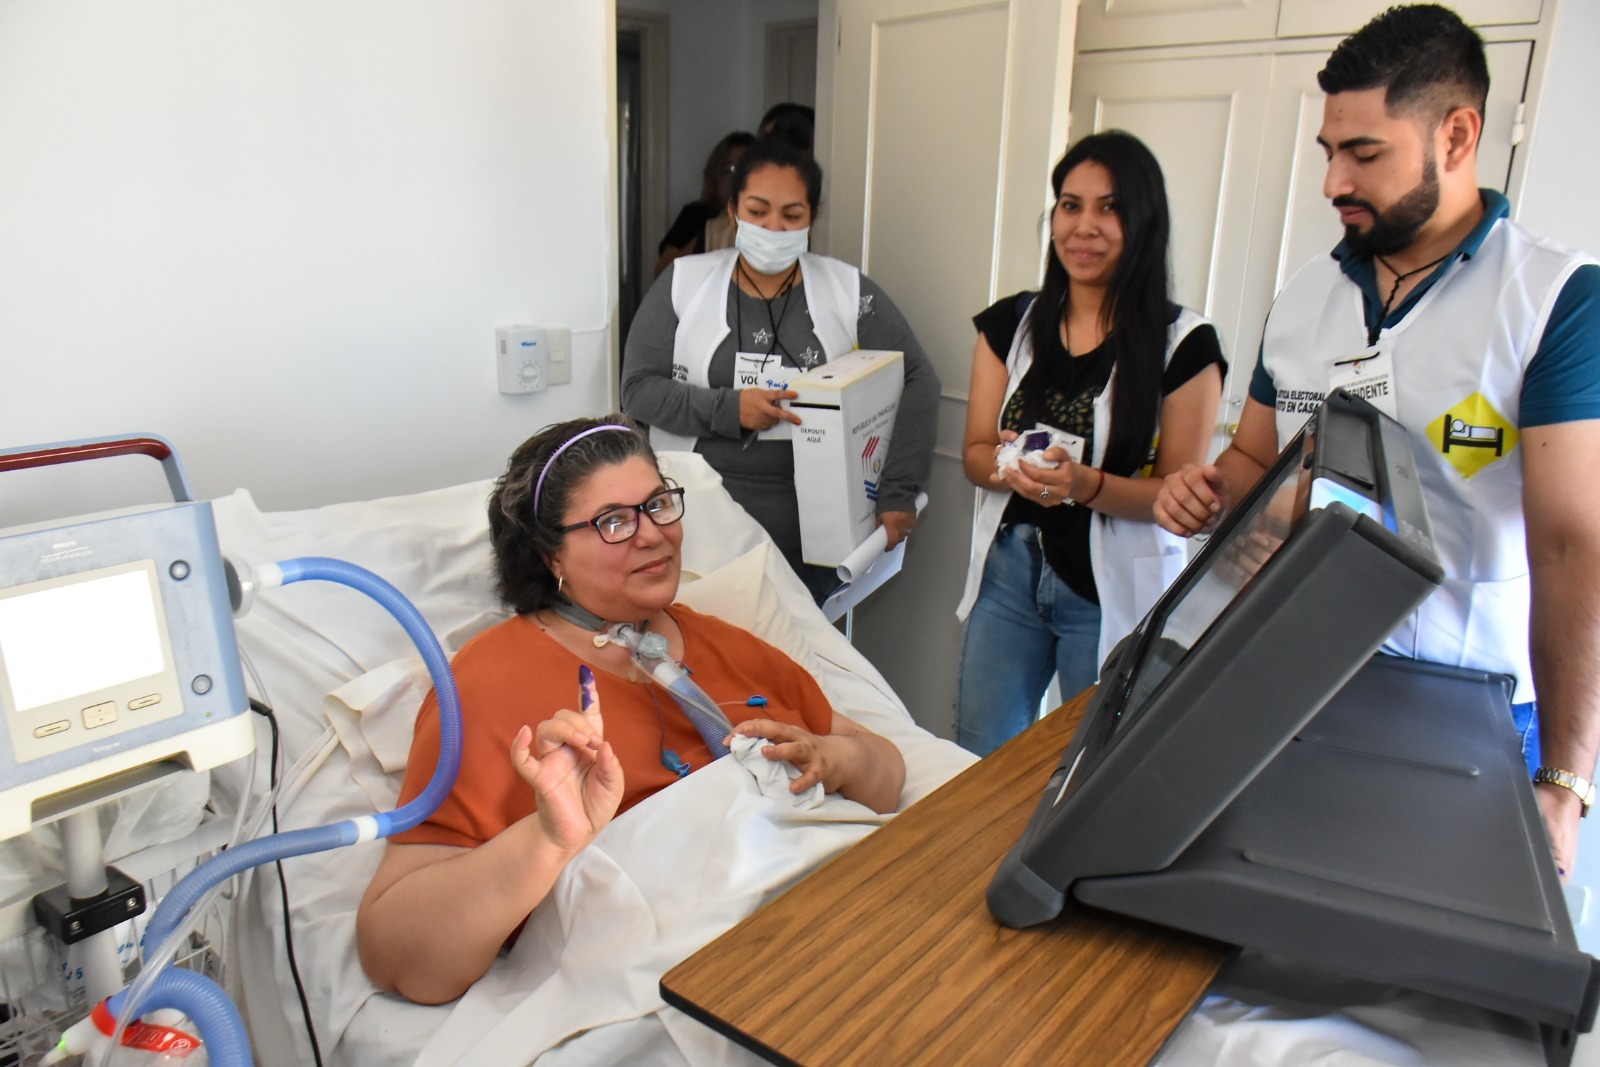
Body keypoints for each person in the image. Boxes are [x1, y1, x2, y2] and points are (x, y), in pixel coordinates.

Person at [1153, 4, 1600, 876]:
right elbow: (1254, 459)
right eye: (1328, 152)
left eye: (1365, 153)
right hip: (1302, 676)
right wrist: (1204, 494)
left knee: (1442, 966)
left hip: (1472, 703)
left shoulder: (1554, 300)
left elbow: (1572, 543)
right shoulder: (1307, 295)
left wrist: (1566, 779)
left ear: (1458, 135)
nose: (1332, 183)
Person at [356, 417, 906, 1004]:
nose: (653, 535)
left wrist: (832, 757)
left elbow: (887, 773)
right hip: (694, 975)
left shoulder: (727, 645)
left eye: (659, 505)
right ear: (550, 557)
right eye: (613, 521)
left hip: (840, 913)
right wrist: (547, 839)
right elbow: (394, 956)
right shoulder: (487, 684)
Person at [953, 131, 1226, 757]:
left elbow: (1176, 500)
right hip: (1011, 572)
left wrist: (1084, 486)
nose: (1085, 226)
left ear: (1143, 222)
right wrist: (1008, 467)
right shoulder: (1011, 325)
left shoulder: (1185, 345)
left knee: (1091, 771)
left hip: (1108, 591)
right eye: (1070, 205)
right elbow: (973, 452)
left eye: (1110, 208)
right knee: (978, 757)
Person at [622, 135, 940, 603]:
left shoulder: (847, 289)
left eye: (792, 215)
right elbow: (639, 390)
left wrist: (897, 490)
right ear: (732, 211)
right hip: (701, 518)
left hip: (812, 528)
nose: (773, 227)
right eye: (757, 211)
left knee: (795, 664)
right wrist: (731, 409)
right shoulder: (684, 283)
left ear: (812, 218)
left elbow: (919, 378)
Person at [656, 131, 755, 277]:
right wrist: (711, 234)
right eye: (730, 169)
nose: (737, 178)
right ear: (715, 175)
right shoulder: (697, 214)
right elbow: (663, 272)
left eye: (746, 169)